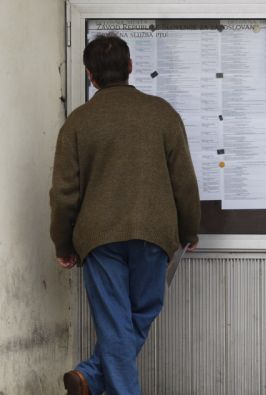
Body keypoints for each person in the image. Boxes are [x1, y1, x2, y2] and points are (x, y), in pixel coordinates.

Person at [50, 33, 201, 395]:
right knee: (141, 312)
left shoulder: (77, 122)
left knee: (116, 324)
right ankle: (96, 378)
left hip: (99, 239)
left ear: (90, 75)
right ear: (131, 66)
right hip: (153, 233)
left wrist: (63, 244)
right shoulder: (162, 113)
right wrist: (189, 229)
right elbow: (184, 181)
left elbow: (64, 193)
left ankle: (90, 374)